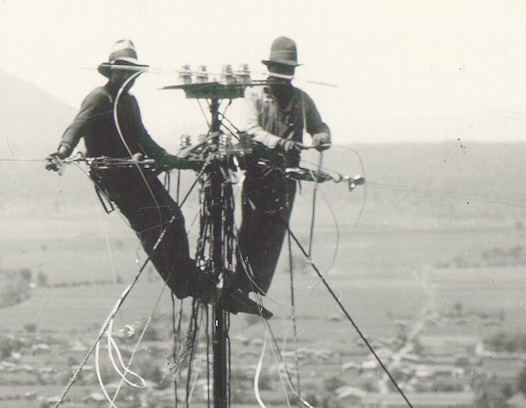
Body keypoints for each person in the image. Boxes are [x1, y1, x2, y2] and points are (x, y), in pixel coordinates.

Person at [48, 40, 268, 317]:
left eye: (133, 73)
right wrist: (62, 152)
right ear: (113, 73)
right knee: (155, 229)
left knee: (173, 218)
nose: (129, 78)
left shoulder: (128, 102)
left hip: (136, 173)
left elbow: (144, 140)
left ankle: (191, 279)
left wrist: (176, 161)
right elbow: (76, 127)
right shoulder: (99, 98)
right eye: (124, 72)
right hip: (117, 179)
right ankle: (188, 283)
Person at [235, 37, 332, 301]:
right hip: (259, 175)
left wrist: (322, 137)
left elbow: (319, 126)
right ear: (270, 70)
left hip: (286, 179)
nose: (283, 79)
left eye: (287, 73)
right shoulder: (254, 95)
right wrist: (280, 143)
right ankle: (238, 284)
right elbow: (250, 129)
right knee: (251, 229)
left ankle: (253, 292)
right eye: (279, 73)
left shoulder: (302, 100)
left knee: (274, 233)